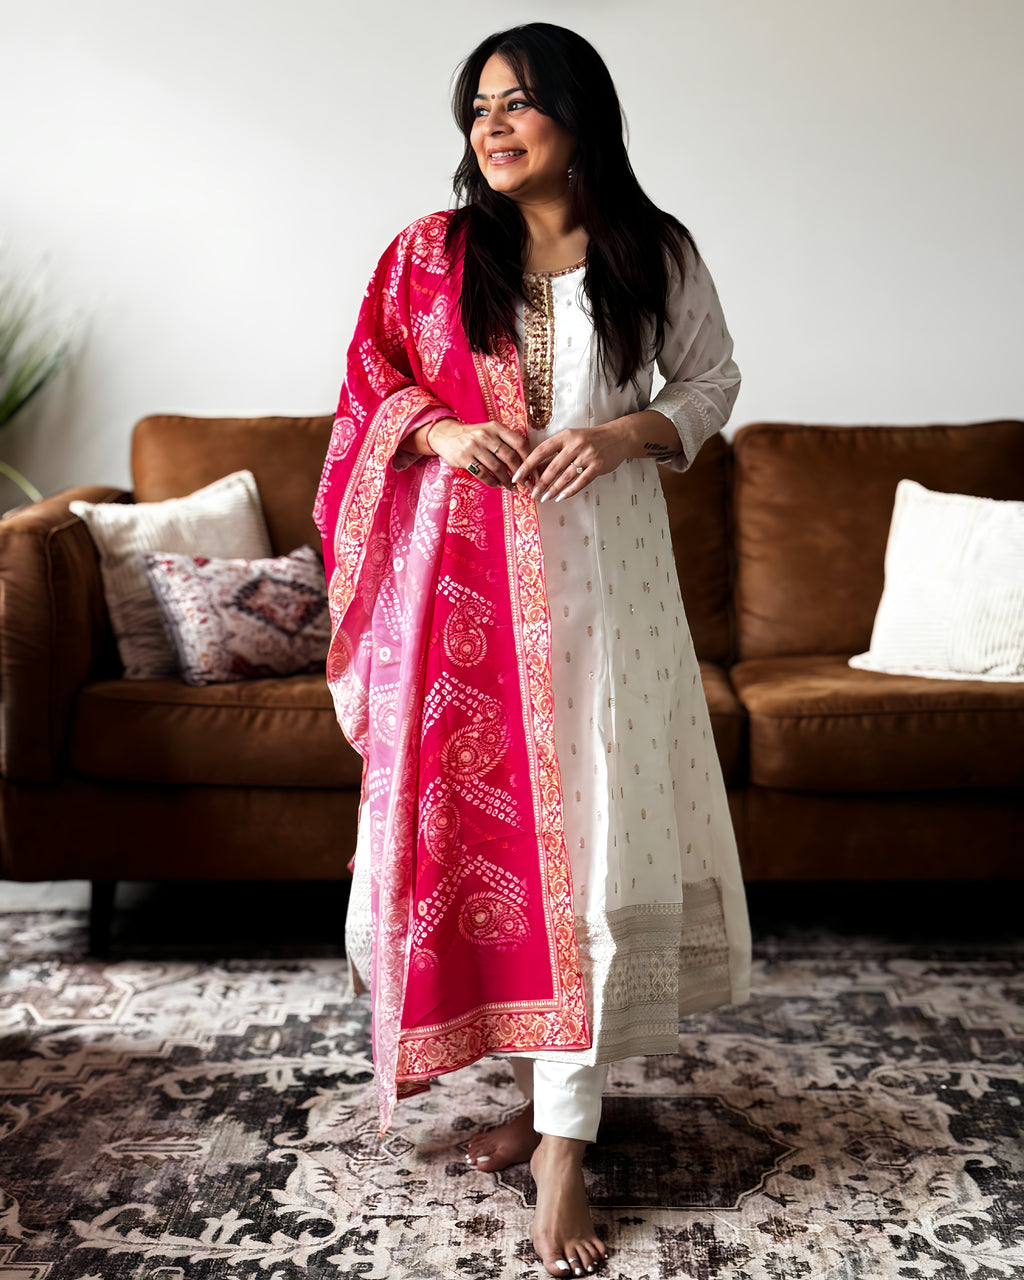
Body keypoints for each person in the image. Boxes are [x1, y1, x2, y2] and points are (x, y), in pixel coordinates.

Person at [314, 22, 751, 1278]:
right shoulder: (430, 256)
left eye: (519, 103)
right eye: (477, 109)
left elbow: (712, 382)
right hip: (466, 602)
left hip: (608, 589)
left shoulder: (651, 252)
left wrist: (625, 436)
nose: (493, 127)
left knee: (592, 838)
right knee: (492, 840)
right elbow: (366, 391)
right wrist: (442, 437)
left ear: (580, 114)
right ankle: (540, 1096)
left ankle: (564, 1144)